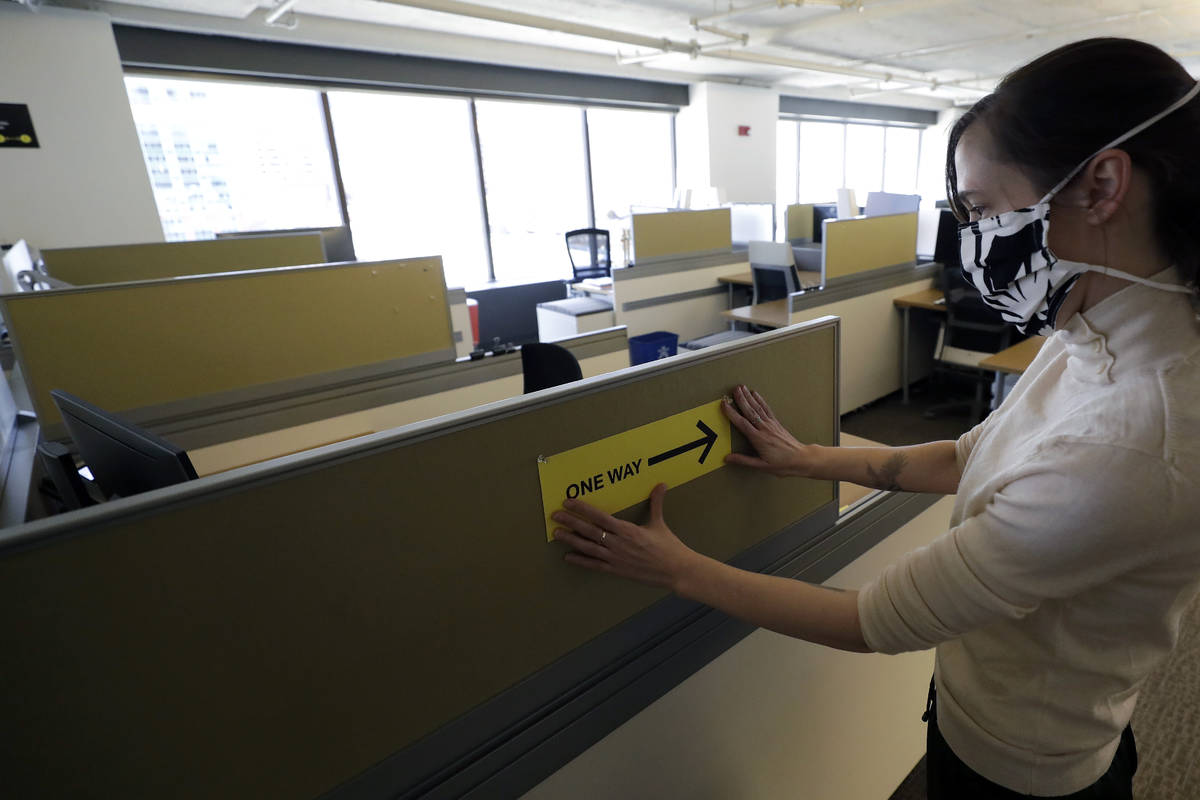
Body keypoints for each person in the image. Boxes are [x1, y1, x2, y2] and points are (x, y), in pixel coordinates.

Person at [550, 37, 1200, 799]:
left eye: (985, 209)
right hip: (986, 701)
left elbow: (873, 621)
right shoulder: (1092, 327)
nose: (973, 240)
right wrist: (808, 459)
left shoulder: (1134, 443)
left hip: (1025, 764)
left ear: (1101, 186)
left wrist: (676, 569)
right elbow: (970, 454)